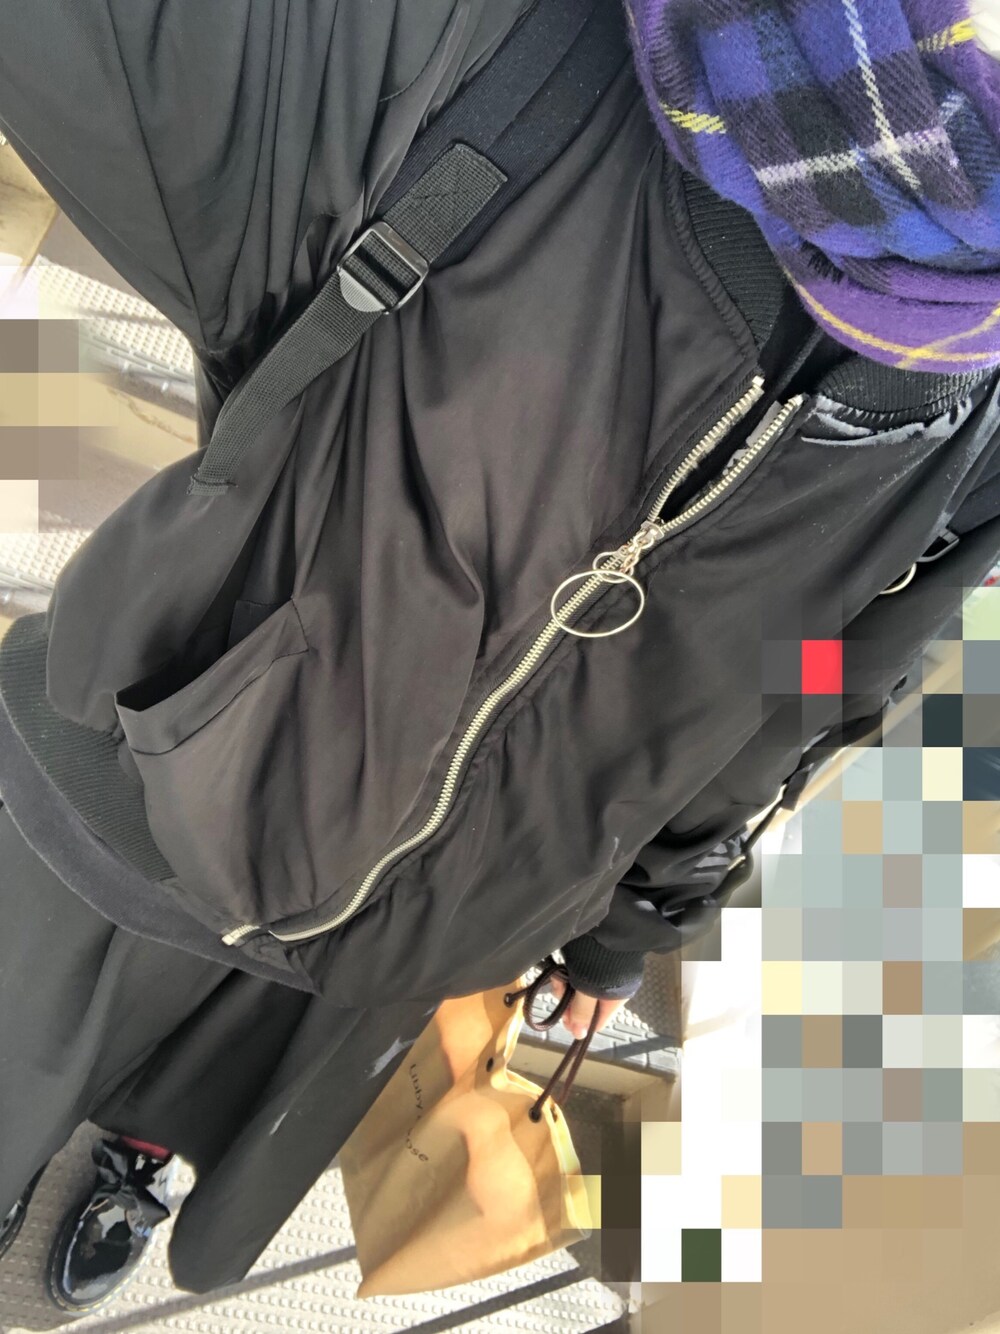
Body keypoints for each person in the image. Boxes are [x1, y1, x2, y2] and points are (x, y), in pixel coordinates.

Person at [2, 0, 1000, 1308]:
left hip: (456, 904)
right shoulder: (494, 40)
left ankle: (142, 1148)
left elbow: (815, 684)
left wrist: (632, 922)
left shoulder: (982, 399)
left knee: (215, 1087)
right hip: (162, 769)